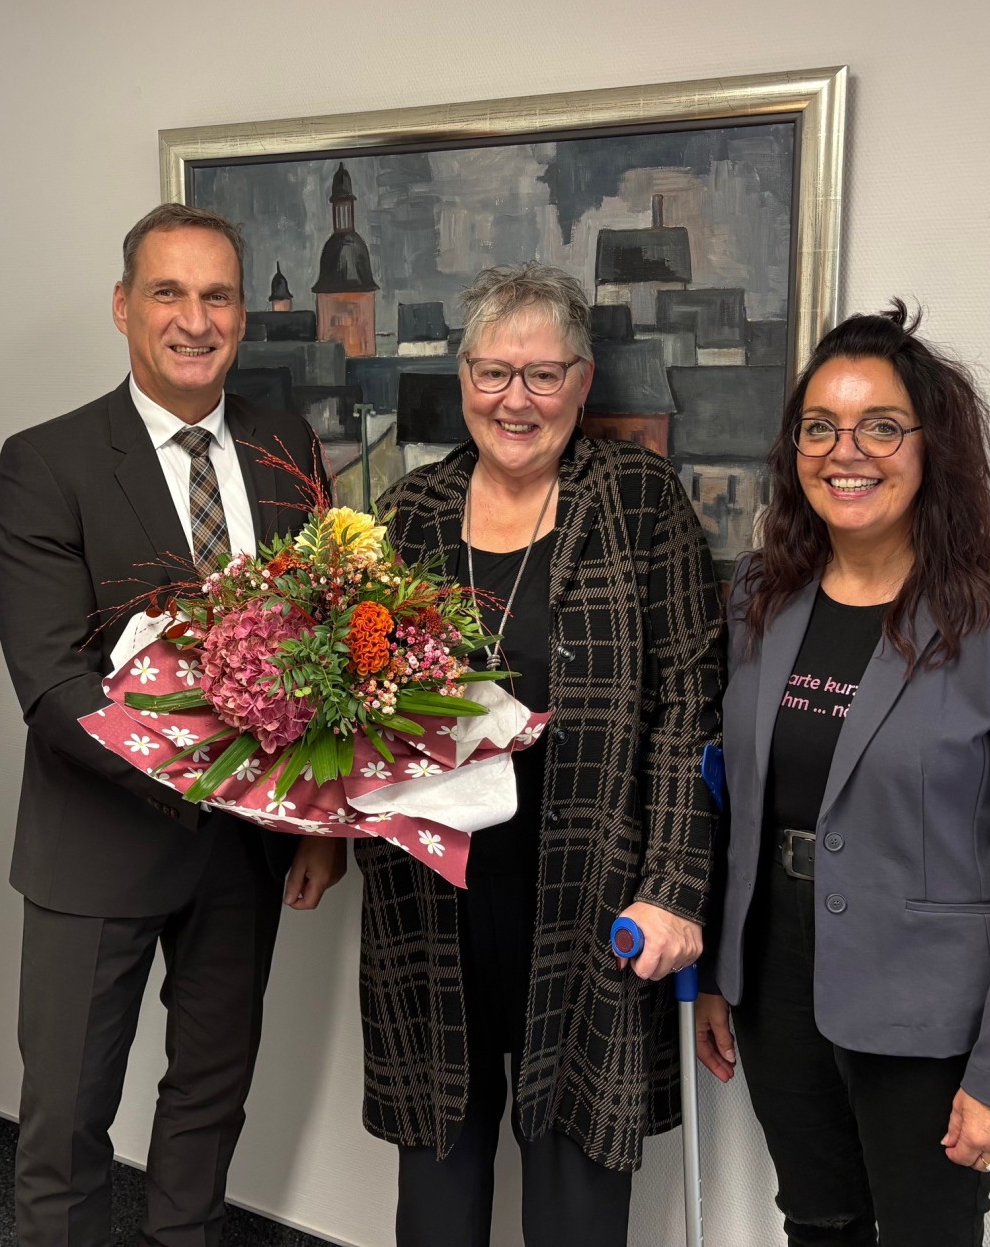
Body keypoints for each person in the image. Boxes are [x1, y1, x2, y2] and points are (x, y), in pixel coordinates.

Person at [693, 302, 990, 1246]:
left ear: (930, 446)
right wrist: (724, 968)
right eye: (821, 428)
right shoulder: (765, 594)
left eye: (881, 426)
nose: (849, 451)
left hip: (929, 1008)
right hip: (777, 981)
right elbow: (741, 800)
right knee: (819, 1224)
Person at [0, 202, 348, 1247]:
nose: (196, 320)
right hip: (95, 849)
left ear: (243, 314)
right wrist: (215, 778)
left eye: (218, 295)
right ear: (123, 307)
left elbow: (326, 641)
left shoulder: (288, 447)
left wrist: (322, 816)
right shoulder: (46, 461)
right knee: (65, 1125)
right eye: (169, 292)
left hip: (244, 859)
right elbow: (53, 683)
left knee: (209, 1097)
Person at [358, 262, 724, 1247]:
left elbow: (691, 707)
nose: (515, 399)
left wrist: (677, 886)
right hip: (430, 899)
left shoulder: (637, 498)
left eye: (543, 374)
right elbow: (357, 705)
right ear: (464, 378)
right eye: (493, 373)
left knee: (575, 1199)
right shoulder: (409, 513)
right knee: (437, 1179)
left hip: (592, 897)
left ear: (583, 380)